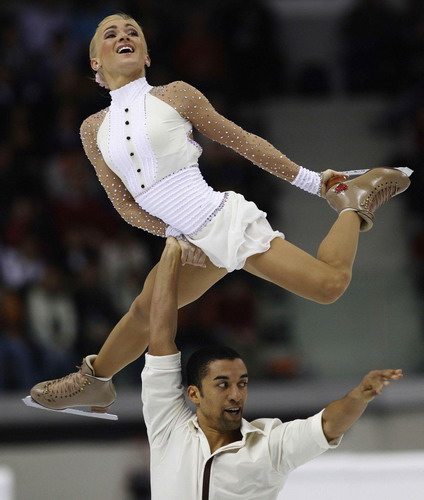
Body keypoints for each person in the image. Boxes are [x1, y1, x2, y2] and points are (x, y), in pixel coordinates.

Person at [27, 13, 409, 418]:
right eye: (111, 33)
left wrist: (315, 183)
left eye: (133, 32)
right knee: (145, 310)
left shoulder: (175, 95)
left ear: (147, 55)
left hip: (220, 220)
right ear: (95, 62)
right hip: (187, 238)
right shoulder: (92, 129)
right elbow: (124, 205)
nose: (124, 36)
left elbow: (242, 141)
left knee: (329, 286)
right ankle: (95, 383)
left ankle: (353, 202)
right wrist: (176, 235)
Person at [143, 238, 403, 499]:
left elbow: (328, 425)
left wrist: (358, 396)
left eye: (242, 383)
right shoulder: (168, 426)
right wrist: (171, 251)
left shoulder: (269, 445)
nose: (236, 394)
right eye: (223, 384)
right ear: (194, 394)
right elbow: (160, 335)